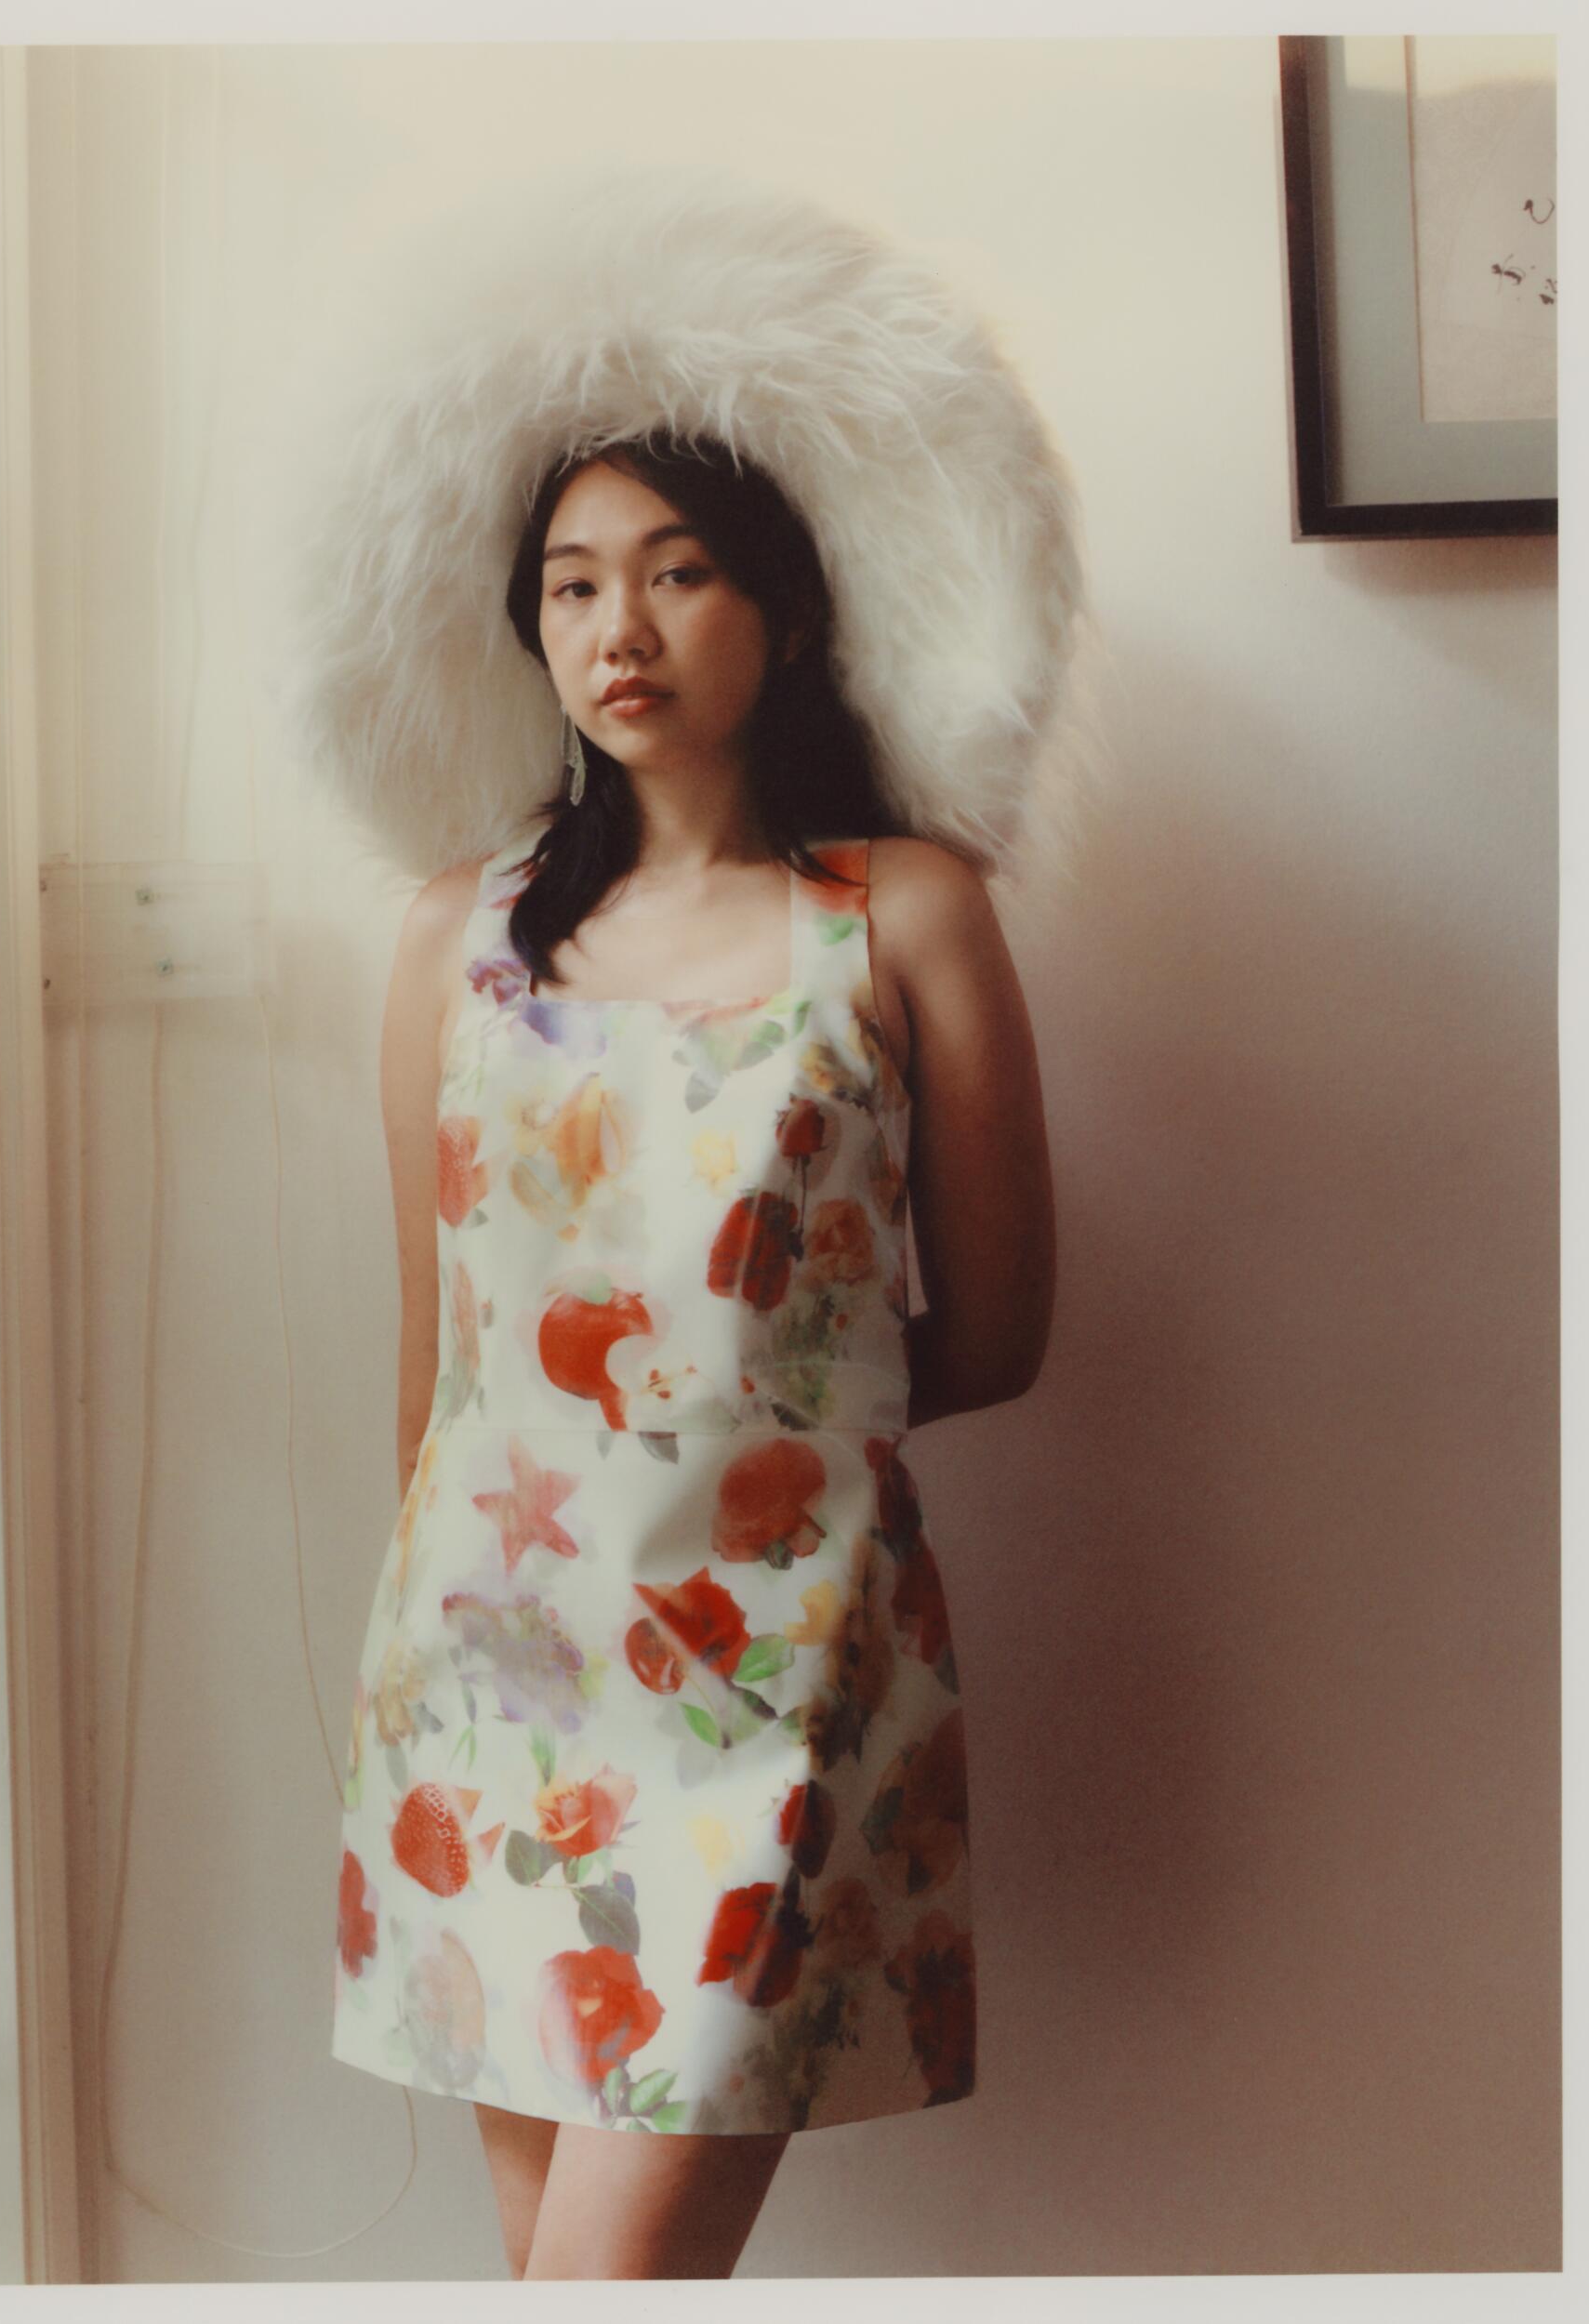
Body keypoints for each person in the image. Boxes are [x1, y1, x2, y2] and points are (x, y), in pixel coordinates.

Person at [271, 162, 1084, 2283]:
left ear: (783, 607)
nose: (615, 630)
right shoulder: (455, 937)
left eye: (677, 571)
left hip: (775, 1687)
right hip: (485, 1689)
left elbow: (991, 1325)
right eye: (567, 586)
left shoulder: (901, 910)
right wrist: (444, 1634)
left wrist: (744, 1447)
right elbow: (433, 1357)